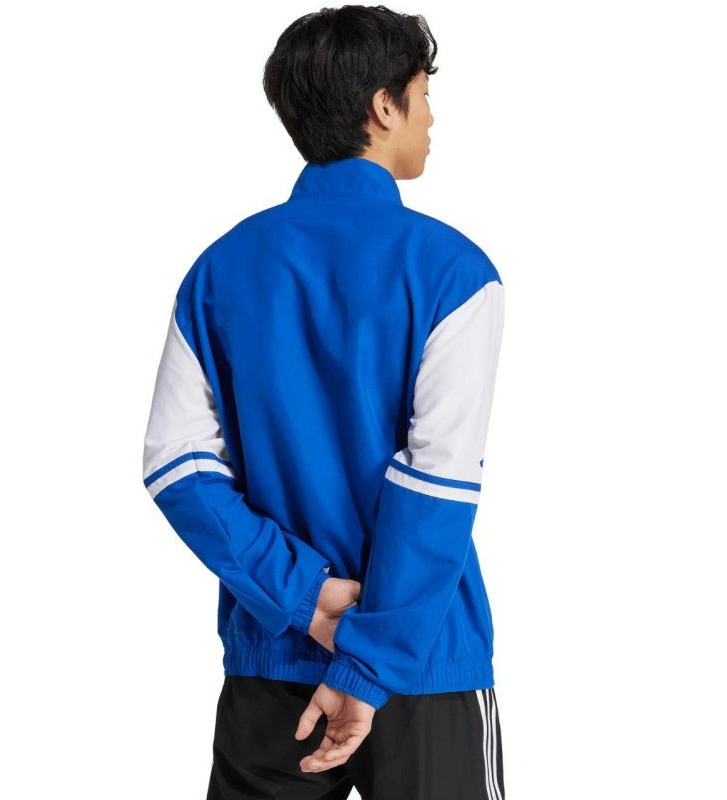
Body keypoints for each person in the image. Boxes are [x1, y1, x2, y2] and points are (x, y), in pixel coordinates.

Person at [141, 5, 506, 798]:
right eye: (423, 95)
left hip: (274, 659)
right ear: (384, 107)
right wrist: (368, 662)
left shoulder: (218, 271)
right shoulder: (454, 272)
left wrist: (304, 598)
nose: (432, 117)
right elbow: (438, 481)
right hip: (422, 661)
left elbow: (177, 467)